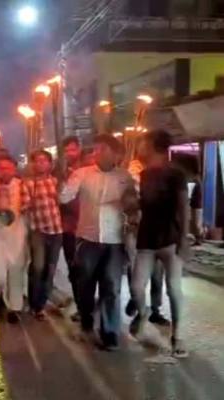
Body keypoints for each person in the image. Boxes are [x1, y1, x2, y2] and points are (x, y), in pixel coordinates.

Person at [60, 134, 136, 351]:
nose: (96, 153)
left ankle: (110, 332)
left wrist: (131, 204)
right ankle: (86, 317)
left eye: (102, 149)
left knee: (111, 286)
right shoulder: (82, 174)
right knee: (84, 282)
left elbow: (133, 204)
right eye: (95, 149)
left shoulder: (125, 177)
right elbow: (64, 197)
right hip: (87, 238)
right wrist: (64, 181)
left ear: (115, 153)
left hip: (115, 240)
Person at [129, 130, 190, 358]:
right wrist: (132, 205)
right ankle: (143, 314)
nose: (140, 147)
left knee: (173, 288)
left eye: (143, 143)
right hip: (146, 238)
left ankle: (178, 336)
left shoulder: (176, 174)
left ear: (153, 145)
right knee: (137, 287)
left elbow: (184, 208)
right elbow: (143, 205)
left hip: (170, 239)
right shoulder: (144, 174)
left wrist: (184, 239)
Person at [0, 155, 30, 323]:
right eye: (1, 168)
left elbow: (27, 209)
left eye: (8, 168)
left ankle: (14, 308)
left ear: (14, 169)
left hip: (17, 237)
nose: (5, 171)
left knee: (16, 273)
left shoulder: (22, 186)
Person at [124, 158, 167, 325]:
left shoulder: (160, 187)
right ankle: (137, 301)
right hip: (135, 233)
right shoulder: (129, 189)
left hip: (156, 235)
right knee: (134, 270)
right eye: (133, 170)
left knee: (157, 273)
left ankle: (155, 309)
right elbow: (128, 207)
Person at [24, 150, 62, 321]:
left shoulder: (55, 182)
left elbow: (62, 201)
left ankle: (41, 304)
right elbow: (24, 206)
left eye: (44, 160)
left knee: (50, 268)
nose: (40, 163)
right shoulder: (28, 183)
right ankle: (34, 303)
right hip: (38, 231)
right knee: (38, 267)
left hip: (56, 230)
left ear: (50, 164)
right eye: (37, 161)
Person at [58, 136, 83, 320]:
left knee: (86, 269)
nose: (70, 154)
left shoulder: (88, 169)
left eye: (73, 149)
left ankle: (88, 302)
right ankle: (80, 303)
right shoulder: (60, 172)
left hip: (87, 227)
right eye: (67, 151)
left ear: (79, 149)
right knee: (73, 268)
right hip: (68, 227)